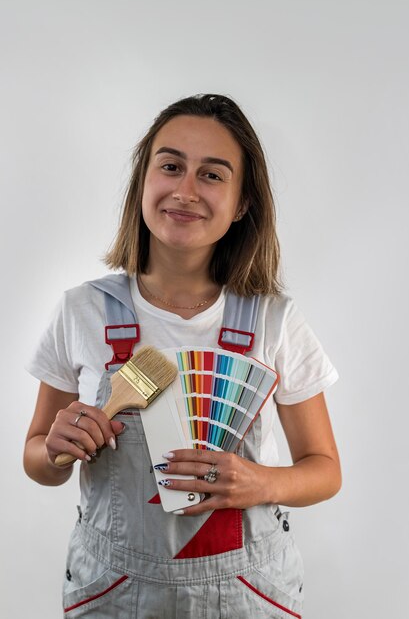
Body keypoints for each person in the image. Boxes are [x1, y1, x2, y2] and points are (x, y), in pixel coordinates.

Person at [24, 94, 341, 618]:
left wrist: (260, 482)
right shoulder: (81, 310)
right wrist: (55, 449)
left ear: (242, 203)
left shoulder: (274, 321)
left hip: (248, 591)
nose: (186, 190)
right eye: (170, 166)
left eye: (213, 175)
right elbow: (38, 461)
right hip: (111, 591)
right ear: (143, 182)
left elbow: (325, 470)